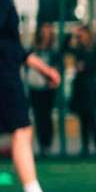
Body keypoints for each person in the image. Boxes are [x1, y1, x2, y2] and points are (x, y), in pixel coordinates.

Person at [0, 0, 68, 192]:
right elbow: (11, 48)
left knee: (22, 131)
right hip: (3, 76)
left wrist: (43, 68)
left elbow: (13, 45)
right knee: (22, 131)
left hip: (7, 71)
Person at [67, 23, 96, 158]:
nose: (80, 37)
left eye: (82, 34)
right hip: (81, 90)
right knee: (83, 121)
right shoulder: (79, 49)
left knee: (94, 120)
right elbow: (63, 48)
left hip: (93, 90)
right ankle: (85, 148)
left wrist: (86, 67)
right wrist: (71, 34)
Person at [25, 21, 60, 156]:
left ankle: (47, 144)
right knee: (38, 117)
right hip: (35, 88)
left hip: (48, 89)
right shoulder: (34, 48)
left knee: (46, 116)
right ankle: (41, 145)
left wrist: (51, 76)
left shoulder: (53, 49)